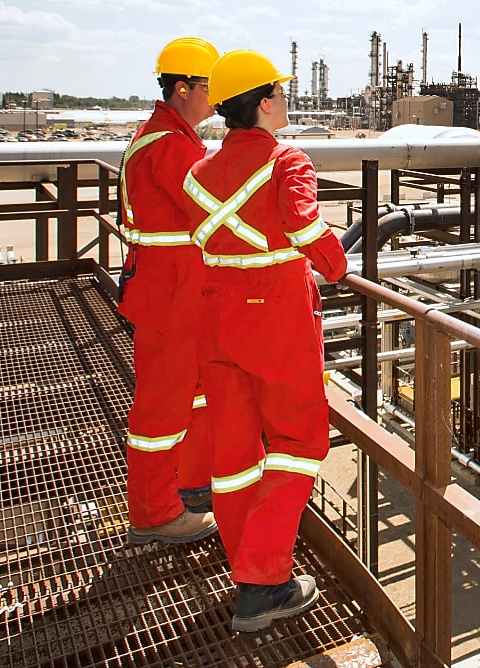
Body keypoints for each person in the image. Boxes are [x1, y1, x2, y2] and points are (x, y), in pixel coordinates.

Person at [184, 49, 350, 632]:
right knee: (300, 441)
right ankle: (263, 581)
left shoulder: (199, 171)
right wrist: (336, 265)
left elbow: (198, 235)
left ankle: (244, 562)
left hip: (216, 313)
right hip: (275, 313)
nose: (286, 99)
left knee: (232, 454)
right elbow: (306, 226)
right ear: (260, 102)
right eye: (279, 91)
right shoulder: (287, 160)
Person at [119, 37, 221, 544]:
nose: (216, 96)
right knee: (162, 407)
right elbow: (212, 212)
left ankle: (191, 485)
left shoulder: (167, 135)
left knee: (192, 395)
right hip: (170, 296)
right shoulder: (170, 146)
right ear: (182, 89)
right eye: (209, 87)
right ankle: (155, 512)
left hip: (175, 290)